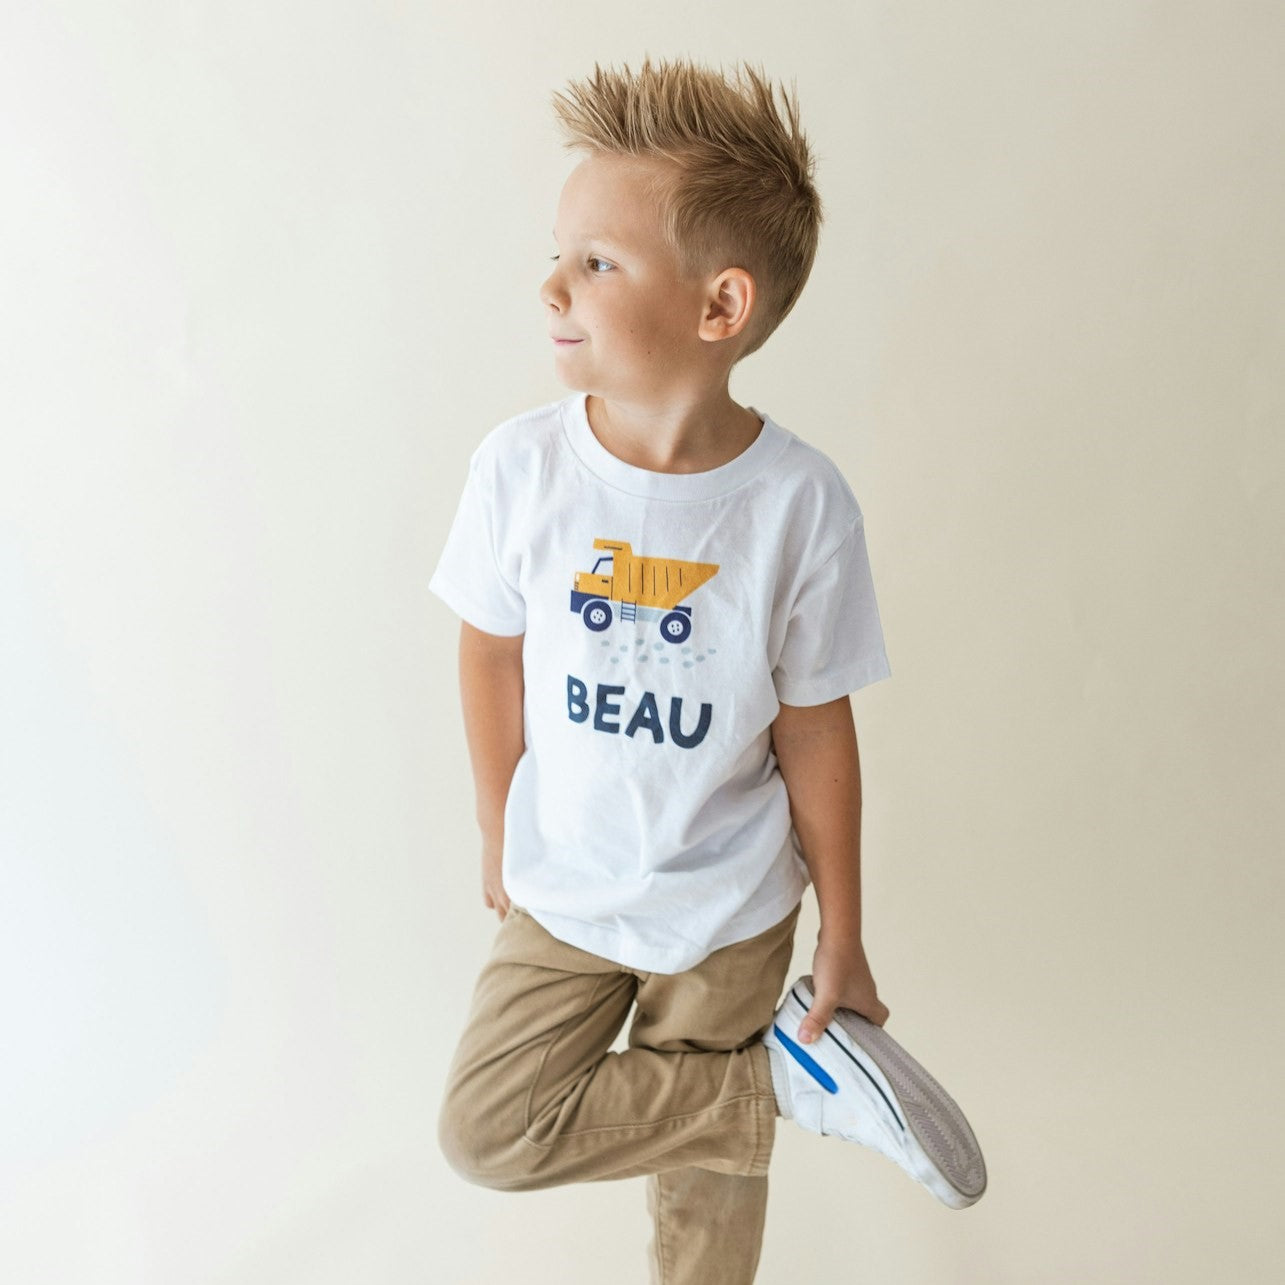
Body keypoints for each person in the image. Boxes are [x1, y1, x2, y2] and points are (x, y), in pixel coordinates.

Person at [428, 55, 986, 1284]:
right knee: (488, 1126)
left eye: (596, 262)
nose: (551, 282)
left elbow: (816, 728)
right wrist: (493, 817)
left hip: (729, 907)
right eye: (560, 250)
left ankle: (756, 1093)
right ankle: (775, 1085)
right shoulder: (520, 470)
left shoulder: (797, 505)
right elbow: (488, 641)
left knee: (708, 1208)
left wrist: (844, 930)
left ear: (718, 306)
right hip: (567, 889)